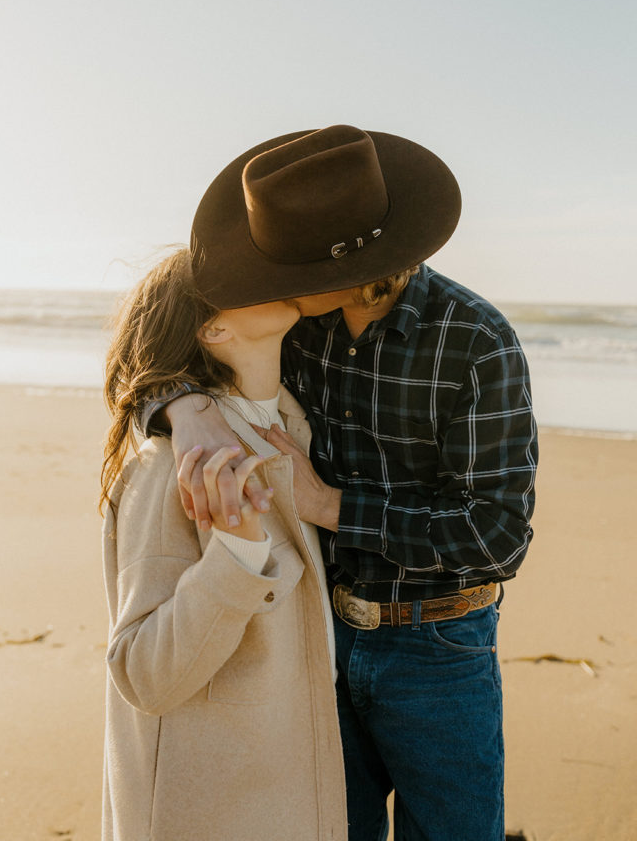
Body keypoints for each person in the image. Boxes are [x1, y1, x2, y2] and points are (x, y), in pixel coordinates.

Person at [141, 124, 538, 841]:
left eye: (286, 265)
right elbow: (157, 341)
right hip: (314, 641)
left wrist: (328, 505)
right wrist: (183, 409)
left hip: (438, 648)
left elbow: (497, 536)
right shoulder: (294, 323)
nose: (268, 277)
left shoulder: (476, 341)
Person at [100, 248, 347, 841]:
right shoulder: (172, 466)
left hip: (287, 790)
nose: (273, 272)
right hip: (210, 808)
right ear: (214, 328)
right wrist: (236, 557)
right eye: (245, 276)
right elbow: (143, 675)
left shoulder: (294, 434)